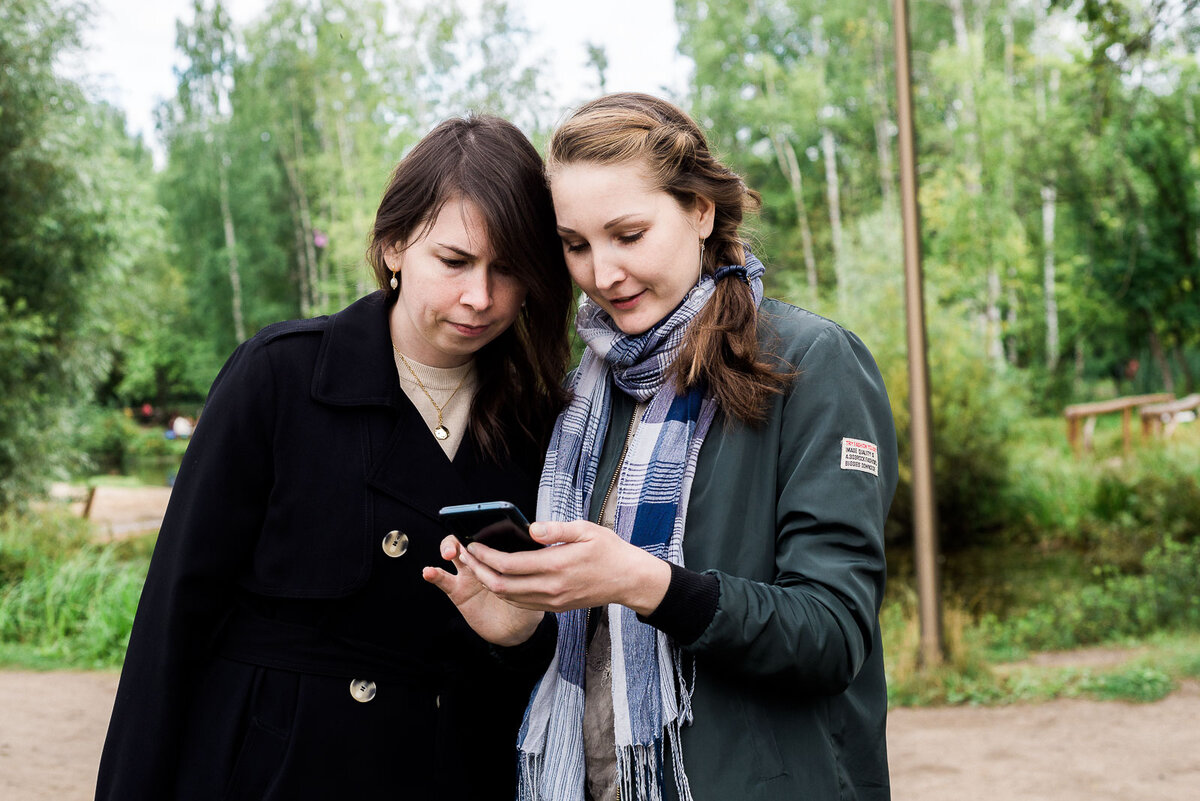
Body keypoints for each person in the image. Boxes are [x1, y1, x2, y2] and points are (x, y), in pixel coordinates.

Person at [426, 93, 898, 801]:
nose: (603, 274)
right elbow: (595, 656)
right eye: (576, 245)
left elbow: (832, 634)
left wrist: (644, 581)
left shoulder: (812, 363)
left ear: (700, 212)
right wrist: (514, 626)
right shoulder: (585, 397)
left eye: (629, 234)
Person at [95, 114, 573, 801]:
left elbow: (533, 658)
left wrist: (517, 635)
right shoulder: (280, 376)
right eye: (456, 260)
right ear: (394, 244)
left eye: (509, 269)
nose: (481, 297)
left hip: (447, 771)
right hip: (273, 769)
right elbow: (175, 616)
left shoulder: (539, 420)